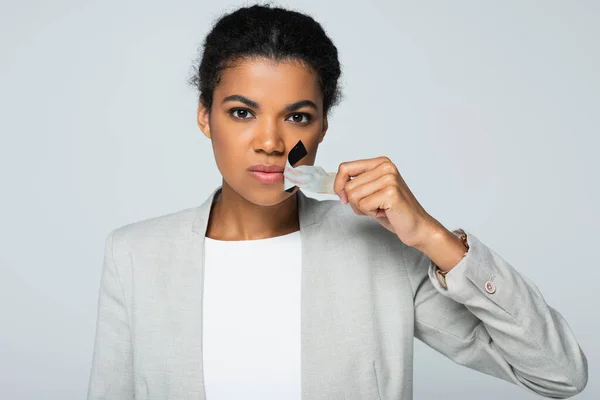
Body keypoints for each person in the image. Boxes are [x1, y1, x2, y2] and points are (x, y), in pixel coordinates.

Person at [87, 4, 588, 400]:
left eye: (298, 117)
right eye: (242, 112)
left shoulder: (379, 251)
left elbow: (560, 375)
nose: (271, 142)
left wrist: (433, 237)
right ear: (204, 116)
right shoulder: (134, 255)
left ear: (323, 124)